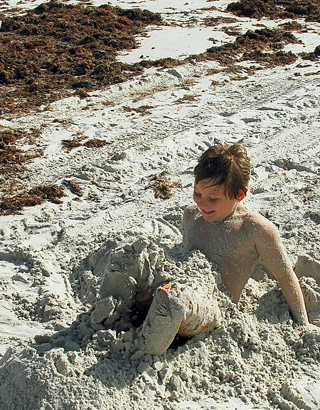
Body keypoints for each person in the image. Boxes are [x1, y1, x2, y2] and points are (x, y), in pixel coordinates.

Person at [132, 142, 310, 355]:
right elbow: (183, 257)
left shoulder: (254, 229)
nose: (203, 203)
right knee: (130, 257)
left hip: (212, 306)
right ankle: (107, 320)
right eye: (197, 193)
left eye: (213, 198)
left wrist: (303, 323)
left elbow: (285, 275)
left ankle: (140, 356)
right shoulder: (191, 215)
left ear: (240, 195)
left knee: (173, 301)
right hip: (182, 286)